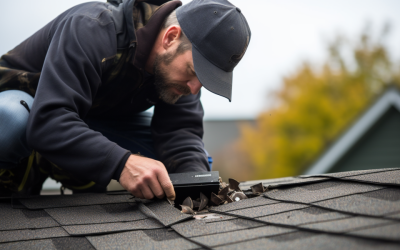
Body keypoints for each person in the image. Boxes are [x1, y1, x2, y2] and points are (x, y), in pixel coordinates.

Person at [0, 0, 251, 199]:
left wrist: (197, 190)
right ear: (170, 37)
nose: (195, 89)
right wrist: (121, 163)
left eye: (204, 80)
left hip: (86, 122)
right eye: (194, 72)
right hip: (30, 111)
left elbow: (180, 134)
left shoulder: (180, 72)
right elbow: (49, 119)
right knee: (11, 119)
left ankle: (69, 170)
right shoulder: (91, 28)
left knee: (178, 168)